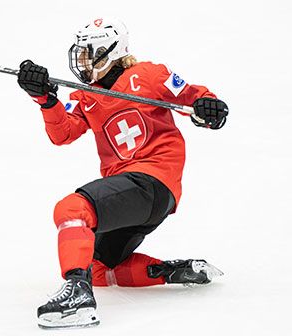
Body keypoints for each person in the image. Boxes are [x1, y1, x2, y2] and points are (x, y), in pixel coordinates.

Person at [17, 16, 229, 329]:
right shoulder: (86, 96)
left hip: (152, 180)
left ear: (110, 51)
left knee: (71, 208)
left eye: (88, 52)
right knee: (100, 269)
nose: (82, 60)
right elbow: (62, 133)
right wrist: (44, 99)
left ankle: (77, 296)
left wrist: (209, 107)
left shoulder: (149, 75)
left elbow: (191, 95)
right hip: (137, 194)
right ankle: (171, 271)